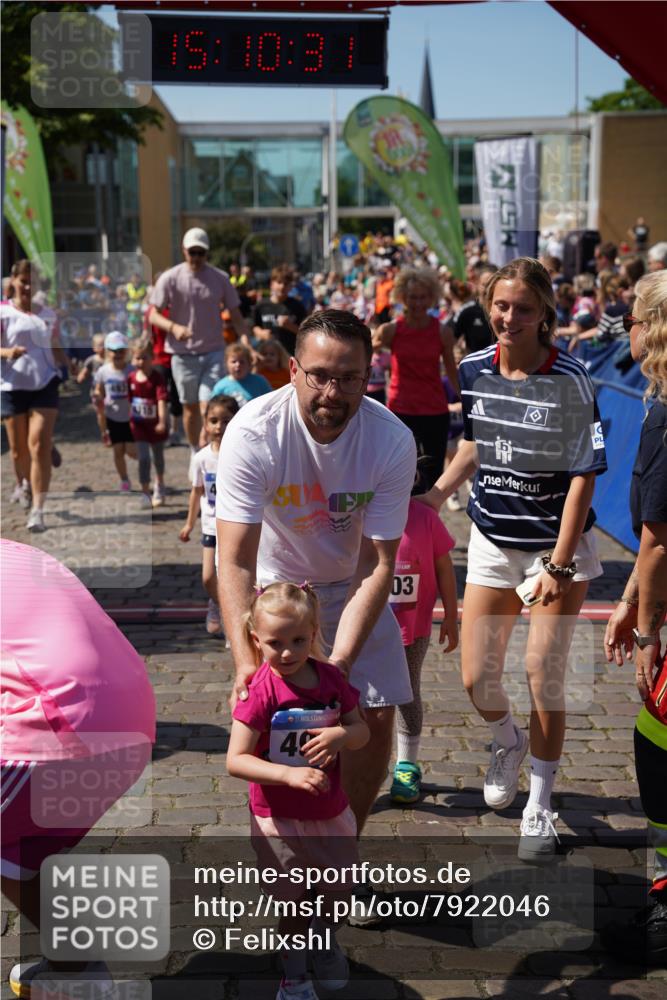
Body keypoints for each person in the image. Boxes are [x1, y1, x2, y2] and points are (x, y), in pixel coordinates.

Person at [419, 257, 608, 861]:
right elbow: (474, 443)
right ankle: (507, 740)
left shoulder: (571, 377)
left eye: (523, 308)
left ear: (545, 313)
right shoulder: (473, 368)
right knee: (476, 677)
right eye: (501, 306)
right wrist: (435, 496)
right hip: (491, 540)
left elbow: (583, 476)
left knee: (542, 671)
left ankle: (541, 803)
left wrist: (556, 564)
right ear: (487, 305)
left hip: (557, 547)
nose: (509, 318)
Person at [216, 309, 417, 844]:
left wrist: (340, 665)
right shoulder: (253, 432)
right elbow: (234, 559)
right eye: (320, 375)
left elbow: (378, 562)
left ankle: (342, 849)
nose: (334, 391)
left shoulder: (391, 440)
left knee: (372, 721)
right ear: (292, 371)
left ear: (369, 375)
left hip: (354, 586)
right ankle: (286, 850)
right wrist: (245, 659)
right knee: (273, 726)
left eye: (350, 377)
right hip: (278, 589)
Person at [2, 540, 155, 998]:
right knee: (15, 854)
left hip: (62, 729)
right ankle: (76, 970)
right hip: (131, 724)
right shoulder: (18, 552)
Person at [226, 582, 369, 1000]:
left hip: (329, 811)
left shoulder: (330, 680)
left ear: (314, 633)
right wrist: (286, 776)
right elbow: (235, 759)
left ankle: (324, 940)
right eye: (275, 643)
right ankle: (294, 975)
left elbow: (361, 730)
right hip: (277, 817)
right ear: (256, 640)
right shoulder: (260, 691)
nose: (287, 652)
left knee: (339, 891)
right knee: (293, 902)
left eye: (298, 640)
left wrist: (341, 735)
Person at [602, 270, 667, 965]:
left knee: (656, 742)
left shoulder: (662, 411)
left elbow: (655, 541)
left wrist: (644, 627)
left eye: (630, 317)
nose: (624, 331)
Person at [389, 462, 458, 804]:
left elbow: (445, 567)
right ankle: (358, 760)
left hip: (414, 627)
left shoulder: (426, 517)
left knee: (407, 690)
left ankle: (406, 765)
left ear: (414, 478)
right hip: (370, 627)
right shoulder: (363, 515)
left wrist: (450, 615)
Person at [148, 228, 246, 452]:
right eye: (192, 252)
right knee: (189, 407)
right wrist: (174, 327)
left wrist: (246, 341)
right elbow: (153, 314)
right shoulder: (170, 278)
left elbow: (237, 315)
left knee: (208, 403)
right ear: (184, 251)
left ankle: (212, 449)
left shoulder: (219, 278)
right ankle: (195, 451)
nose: (196, 257)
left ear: (207, 253)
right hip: (182, 354)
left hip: (213, 351)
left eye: (200, 253)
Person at [373, 267, 459, 492]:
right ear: (402, 297)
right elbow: (362, 354)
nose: (418, 303)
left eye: (423, 297)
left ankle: (428, 523)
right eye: (412, 297)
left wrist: (467, 400)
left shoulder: (442, 332)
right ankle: (400, 524)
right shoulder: (390, 330)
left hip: (434, 410)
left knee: (432, 475)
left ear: (432, 298)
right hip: (401, 409)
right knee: (400, 473)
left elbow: (451, 371)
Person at [1, 260, 68, 532]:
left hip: (45, 383)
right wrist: (8, 353)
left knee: (38, 444)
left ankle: (38, 510)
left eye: (33, 282)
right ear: (14, 282)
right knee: (18, 452)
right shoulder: (3, 313)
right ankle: (23, 482)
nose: (28, 286)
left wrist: (69, 365)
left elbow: (55, 346)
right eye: (23, 281)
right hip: (12, 386)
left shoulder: (48, 315)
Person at [180, 394, 239, 637]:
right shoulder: (201, 459)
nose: (219, 427)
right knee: (208, 577)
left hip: (236, 525)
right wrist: (188, 523)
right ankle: (218, 604)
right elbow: (196, 492)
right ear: (205, 424)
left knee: (232, 573)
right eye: (213, 421)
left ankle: (233, 617)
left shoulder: (240, 454)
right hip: (211, 526)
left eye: (226, 421)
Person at [127, 338, 168, 508]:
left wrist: (162, 421)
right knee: (143, 458)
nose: (140, 362)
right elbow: (127, 403)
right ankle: (145, 491)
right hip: (138, 426)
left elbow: (161, 401)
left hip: (155, 426)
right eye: (137, 358)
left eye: (144, 358)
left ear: (152, 358)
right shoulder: (130, 379)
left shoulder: (157, 378)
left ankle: (159, 483)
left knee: (158, 457)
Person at [93, 331, 136, 491]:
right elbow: (99, 390)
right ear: (106, 351)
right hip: (113, 417)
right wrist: (97, 397)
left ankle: (144, 476)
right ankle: (124, 480)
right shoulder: (103, 372)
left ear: (126, 352)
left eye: (121, 351)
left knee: (132, 451)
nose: (117, 354)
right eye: (113, 350)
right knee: (118, 451)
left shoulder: (132, 370)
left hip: (131, 417)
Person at [252, 265, 307, 356]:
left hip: (289, 354)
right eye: (279, 282)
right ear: (272, 284)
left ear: (290, 286)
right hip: (267, 355)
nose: (282, 286)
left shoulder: (297, 306)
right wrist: (260, 333)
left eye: (286, 283)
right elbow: (253, 326)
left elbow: (305, 333)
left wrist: (290, 326)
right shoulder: (261, 305)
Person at [210, 343, 272, 408]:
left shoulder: (260, 381)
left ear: (249, 364)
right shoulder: (220, 387)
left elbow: (271, 401)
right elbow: (213, 407)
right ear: (226, 364)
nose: (238, 365)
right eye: (234, 362)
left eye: (242, 362)